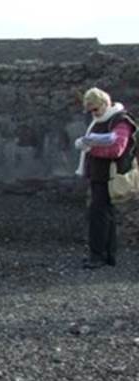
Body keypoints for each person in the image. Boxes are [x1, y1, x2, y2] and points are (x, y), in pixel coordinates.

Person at [74, 87, 137, 268]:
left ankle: (98, 255)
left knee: (99, 214)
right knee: (105, 214)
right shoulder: (104, 120)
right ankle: (107, 255)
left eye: (95, 109)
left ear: (104, 103)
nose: (93, 113)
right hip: (99, 174)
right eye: (90, 110)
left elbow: (117, 148)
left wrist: (89, 147)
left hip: (107, 175)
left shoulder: (120, 121)